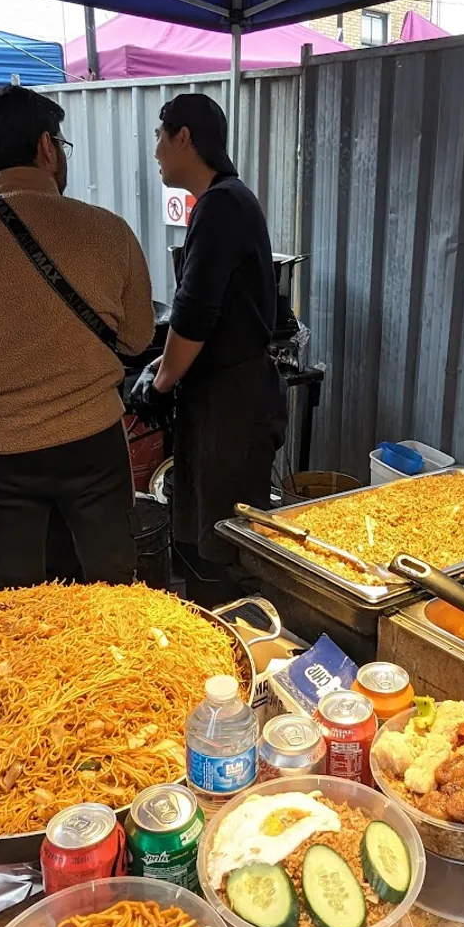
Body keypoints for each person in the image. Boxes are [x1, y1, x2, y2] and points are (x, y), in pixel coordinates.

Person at [0, 85, 155, 590]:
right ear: (47, 147)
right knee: (112, 597)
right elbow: (136, 338)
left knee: (20, 614)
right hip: (94, 448)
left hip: (0, 457)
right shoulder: (107, 231)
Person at [132, 93, 286, 605]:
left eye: (160, 136)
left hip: (233, 404)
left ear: (184, 138)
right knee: (203, 532)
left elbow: (195, 316)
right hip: (224, 397)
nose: (155, 151)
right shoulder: (225, 200)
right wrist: (164, 366)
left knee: (223, 544)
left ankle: (234, 649)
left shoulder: (223, 203)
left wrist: (159, 384)